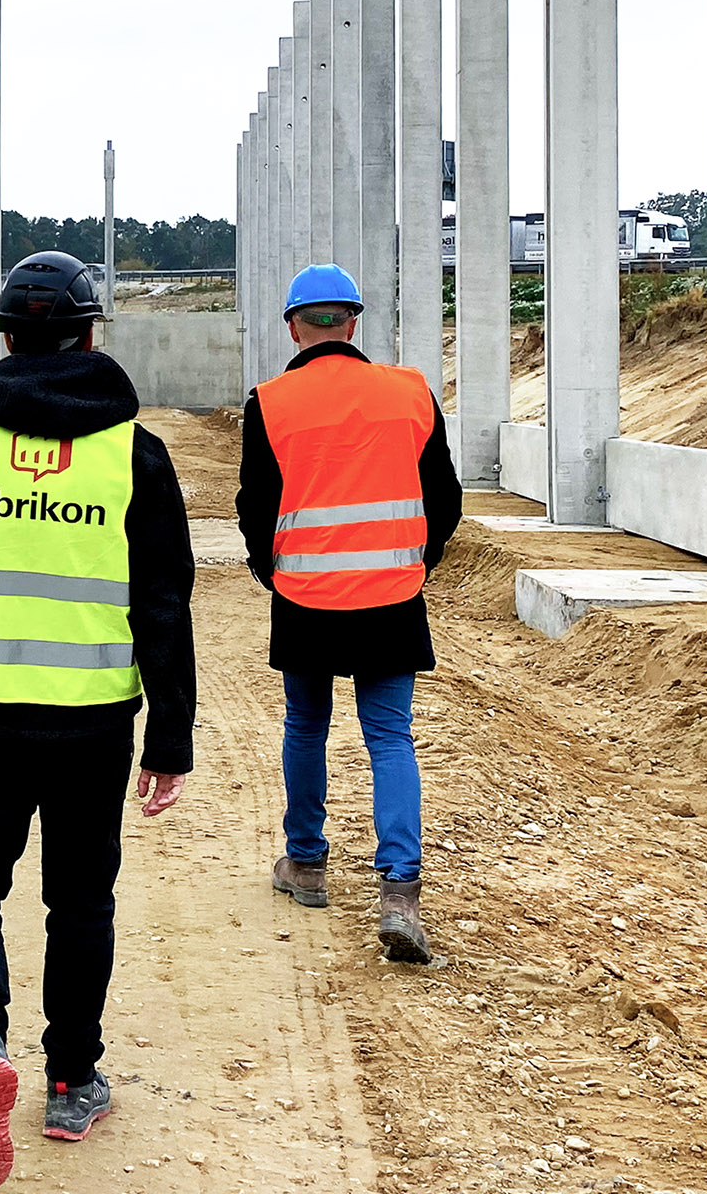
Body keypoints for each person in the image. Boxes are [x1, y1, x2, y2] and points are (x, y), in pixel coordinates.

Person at [0, 251, 197, 1189]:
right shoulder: (134, 453)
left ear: (5, 338)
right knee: (80, 900)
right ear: (90, 335)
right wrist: (170, 737)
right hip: (93, 722)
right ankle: (69, 1081)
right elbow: (165, 603)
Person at [235, 264, 461, 965]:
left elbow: (254, 508)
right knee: (390, 738)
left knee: (306, 725)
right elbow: (444, 499)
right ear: (354, 322)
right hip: (393, 595)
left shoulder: (270, 402)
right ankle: (399, 894)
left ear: (294, 327)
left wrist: (273, 571)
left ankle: (305, 865)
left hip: (305, 596)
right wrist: (416, 563)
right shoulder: (410, 392)